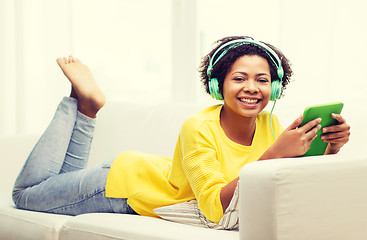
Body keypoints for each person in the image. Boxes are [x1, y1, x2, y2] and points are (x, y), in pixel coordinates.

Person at [12, 36, 350, 229]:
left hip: (149, 173)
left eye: (262, 80)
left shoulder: (271, 125)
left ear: (275, 89)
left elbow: (288, 178)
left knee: (57, 184)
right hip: (122, 187)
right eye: (239, 78)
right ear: (218, 86)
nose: (252, 88)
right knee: (26, 195)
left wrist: (330, 146)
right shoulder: (197, 127)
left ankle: (87, 107)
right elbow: (214, 210)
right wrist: (276, 153)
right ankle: (82, 104)